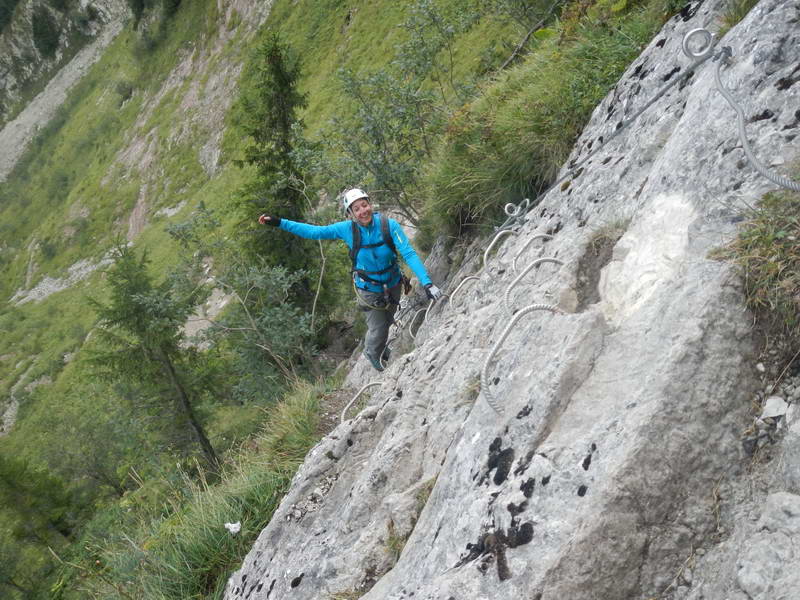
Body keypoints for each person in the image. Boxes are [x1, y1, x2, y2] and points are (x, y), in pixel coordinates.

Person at [258, 188, 442, 372]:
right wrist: (278, 222)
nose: (363, 211)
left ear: (370, 204)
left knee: (387, 321)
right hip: (368, 289)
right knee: (378, 328)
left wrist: (427, 282)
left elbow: (408, 253)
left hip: (393, 283)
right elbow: (314, 232)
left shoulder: (389, 225)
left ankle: (380, 347)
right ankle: (372, 352)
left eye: (364, 205)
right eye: (357, 209)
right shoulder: (347, 230)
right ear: (351, 214)